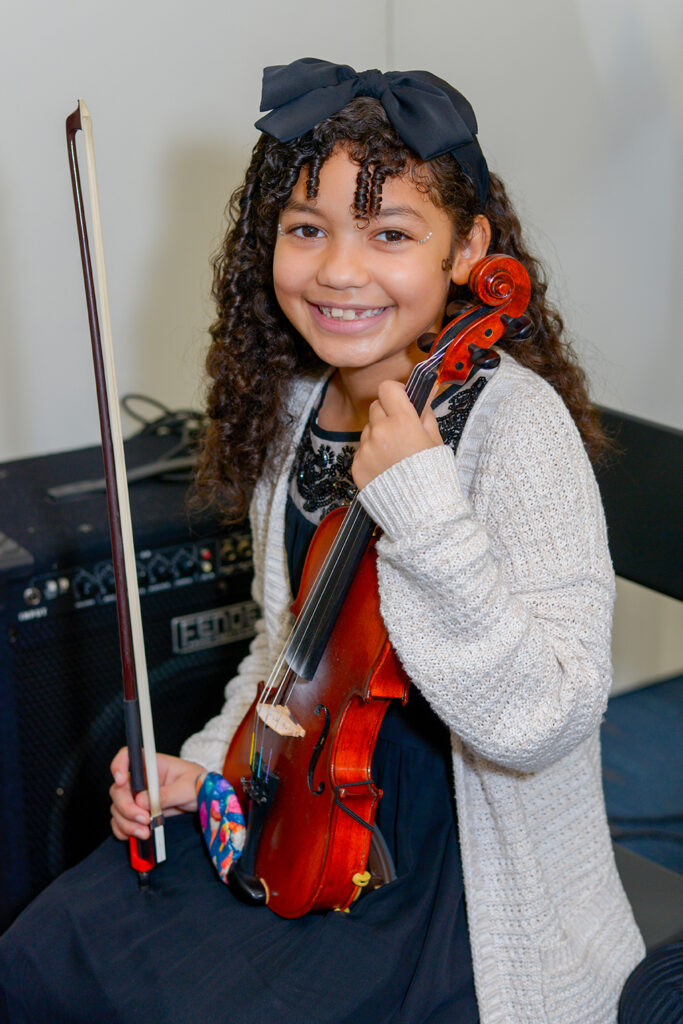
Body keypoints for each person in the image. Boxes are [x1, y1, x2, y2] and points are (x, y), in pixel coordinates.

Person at [0, 59, 644, 1023]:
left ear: (468, 249)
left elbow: (547, 721)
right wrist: (211, 768)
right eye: (307, 230)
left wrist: (423, 507)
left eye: (389, 233)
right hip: (294, 808)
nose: (339, 270)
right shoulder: (299, 406)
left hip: (453, 870)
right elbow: (287, 657)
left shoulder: (518, 428)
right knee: (46, 950)